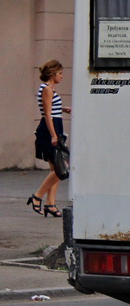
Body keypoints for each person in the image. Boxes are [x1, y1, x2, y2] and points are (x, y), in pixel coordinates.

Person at [28, 59, 70, 218]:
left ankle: (50, 204)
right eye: (60, 73)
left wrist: (63, 108)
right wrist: (53, 135)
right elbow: (47, 114)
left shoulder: (50, 89)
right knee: (61, 167)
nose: (62, 76)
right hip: (49, 130)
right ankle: (37, 196)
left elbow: (51, 109)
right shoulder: (47, 89)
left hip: (54, 127)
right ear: (52, 74)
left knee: (56, 169)